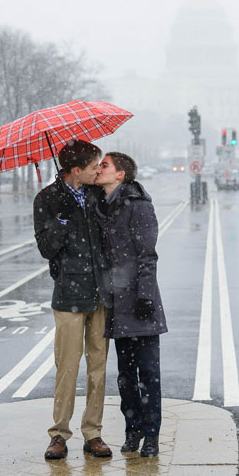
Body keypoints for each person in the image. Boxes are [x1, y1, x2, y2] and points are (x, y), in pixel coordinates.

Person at [33, 139, 113, 459]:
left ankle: (93, 432)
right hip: (68, 294)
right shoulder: (48, 199)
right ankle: (59, 434)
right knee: (66, 367)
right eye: (94, 167)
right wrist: (63, 221)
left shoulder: (98, 194)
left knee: (98, 366)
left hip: (100, 293)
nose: (99, 171)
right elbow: (46, 249)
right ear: (76, 171)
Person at [95, 152, 168, 457]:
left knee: (148, 374)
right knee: (125, 376)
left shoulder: (138, 205)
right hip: (116, 302)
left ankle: (151, 435)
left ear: (120, 174)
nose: (99, 169)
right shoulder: (99, 204)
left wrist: (146, 296)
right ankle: (132, 430)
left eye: (104, 166)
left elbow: (147, 255)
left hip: (140, 302)